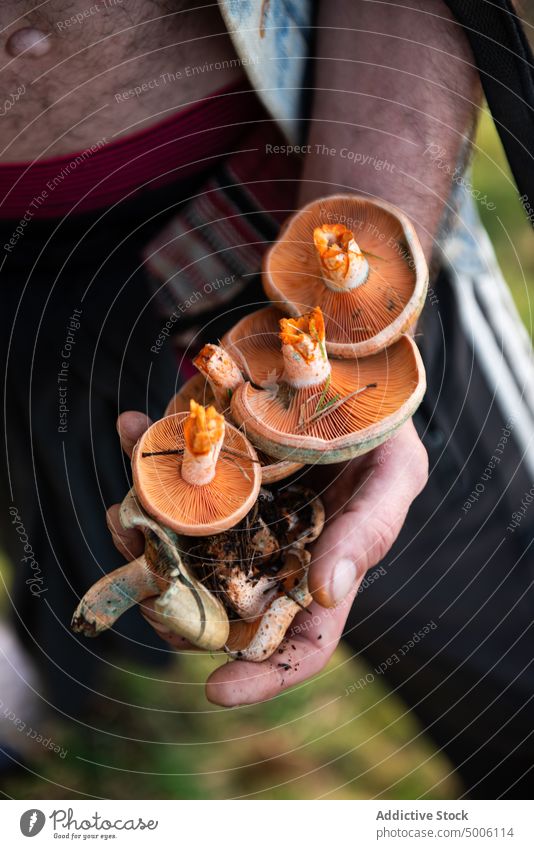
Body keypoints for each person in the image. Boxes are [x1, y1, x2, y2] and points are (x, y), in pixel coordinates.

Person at [0, 0, 532, 798]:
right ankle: (49, 682)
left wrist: (371, 321)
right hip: (19, 285)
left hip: (281, 180)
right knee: (67, 513)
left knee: (501, 625)